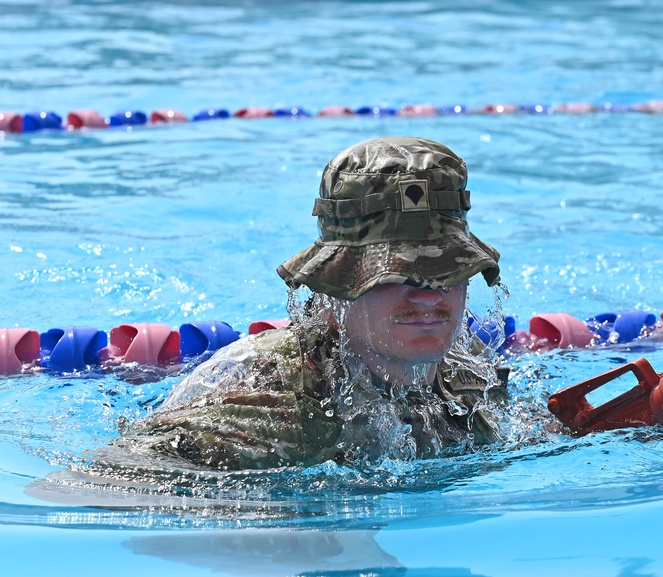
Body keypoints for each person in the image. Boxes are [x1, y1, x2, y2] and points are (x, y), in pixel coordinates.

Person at [125, 136, 510, 471]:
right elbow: (110, 482)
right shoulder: (263, 403)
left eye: (446, 270)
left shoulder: (467, 370)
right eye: (395, 274)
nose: (429, 294)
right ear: (334, 285)